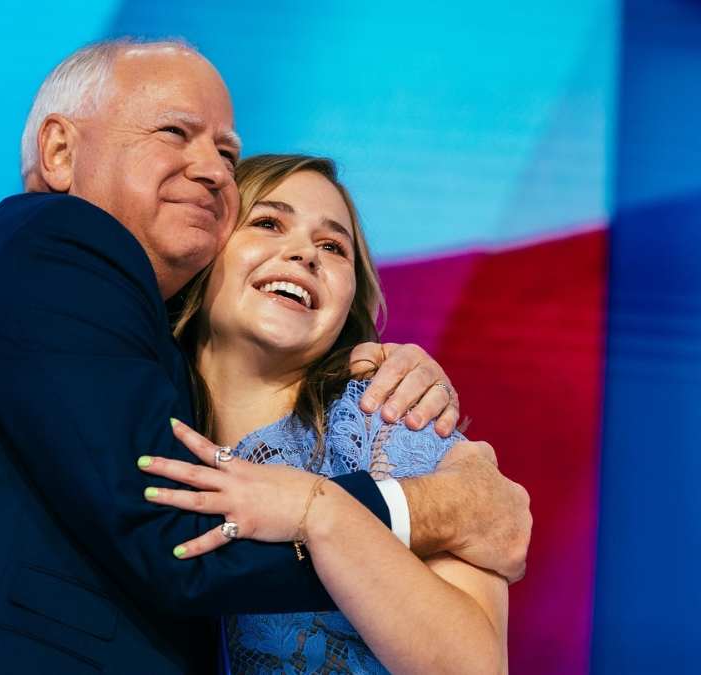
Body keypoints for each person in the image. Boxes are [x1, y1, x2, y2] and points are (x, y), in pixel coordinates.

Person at [0, 38, 529, 673]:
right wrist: (434, 507)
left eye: (227, 155)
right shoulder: (62, 241)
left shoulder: (387, 418)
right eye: (175, 132)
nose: (210, 171)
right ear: (58, 152)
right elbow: (170, 536)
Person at [139, 154, 508, 673]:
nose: (303, 254)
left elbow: (473, 666)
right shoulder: (135, 420)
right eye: (268, 223)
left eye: (333, 246)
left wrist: (317, 510)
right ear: (203, 251)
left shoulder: (393, 425)